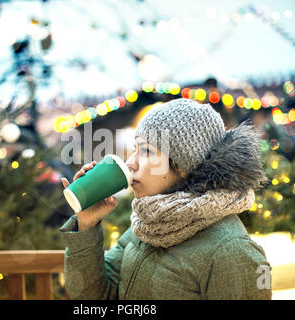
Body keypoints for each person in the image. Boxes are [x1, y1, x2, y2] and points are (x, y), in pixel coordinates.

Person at [59, 98, 272, 300]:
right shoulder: (146, 224)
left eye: (147, 151)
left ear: (183, 166)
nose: (131, 163)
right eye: (135, 150)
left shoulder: (231, 252)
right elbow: (95, 295)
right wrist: (87, 224)